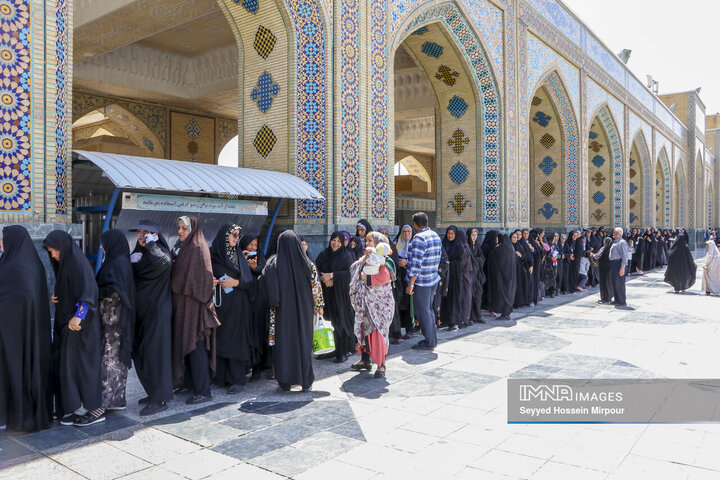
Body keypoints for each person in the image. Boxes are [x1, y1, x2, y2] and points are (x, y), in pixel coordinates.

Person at [43, 231, 102, 426]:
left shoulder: (78, 264)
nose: (53, 256)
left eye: (55, 251)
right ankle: (73, 407)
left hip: (81, 328)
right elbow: (70, 289)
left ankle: (92, 409)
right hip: (68, 326)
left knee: (82, 368)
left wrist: (79, 316)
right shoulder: (66, 265)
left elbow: (88, 292)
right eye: (50, 252)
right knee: (68, 368)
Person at [0, 226, 51, 431]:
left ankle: (17, 415)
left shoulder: (17, 267)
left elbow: (22, 297)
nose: (1, 243)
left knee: (15, 369)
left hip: (16, 333)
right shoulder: (26, 263)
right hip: (15, 331)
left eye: (3, 239)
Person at [261, 230, 324, 392]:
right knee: (303, 343)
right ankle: (305, 380)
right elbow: (316, 288)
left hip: (281, 313)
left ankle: (285, 381)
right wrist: (319, 307)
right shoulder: (308, 264)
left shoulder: (274, 264)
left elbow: (266, 286)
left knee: (284, 344)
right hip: (304, 312)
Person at [171, 216, 220, 405]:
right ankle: (190, 383)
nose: (181, 231)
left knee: (196, 346)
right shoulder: (184, 248)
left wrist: (182, 286)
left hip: (194, 308)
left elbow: (204, 279)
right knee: (186, 346)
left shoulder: (198, 249)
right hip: (183, 306)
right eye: (179, 228)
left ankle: (203, 390)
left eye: (185, 228)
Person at [88, 229, 136, 422]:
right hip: (114, 322)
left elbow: (117, 292)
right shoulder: (118, 262)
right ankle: (117, 399)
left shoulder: (117, 264)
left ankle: (103, 404)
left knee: (110, 362)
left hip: (114, 323)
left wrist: (96, 291)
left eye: (103, 243)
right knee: (115, 361)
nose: (101, 247)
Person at [129, 220, 173, 416]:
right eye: (139, 232)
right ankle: (152, 391)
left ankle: (160, 398)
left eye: (146, 232)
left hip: (157, 312)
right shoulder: (139, 254)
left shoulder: (160, 253)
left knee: (156, 355)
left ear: (155, 235)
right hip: (140, 313)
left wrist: (152, 244)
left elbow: (163, 263)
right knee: (141, 353)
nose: (141, 235)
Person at [210, 224, 254, 394]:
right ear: (224, 237)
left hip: (237, 306)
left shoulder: (238, 256)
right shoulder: (215, 255)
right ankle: (221, 377)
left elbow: (249, 281)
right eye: (233, 235)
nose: (236, 238)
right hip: (220, 305)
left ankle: (237, 379)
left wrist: (236, 282)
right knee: (221, 339)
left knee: (236, 340)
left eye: (238, 236)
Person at [349, 234, 395, 378]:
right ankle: (365, 360)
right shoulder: (364, 260)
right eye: (366, 240)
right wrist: (363, 264)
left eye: (370, 241)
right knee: (364, 332)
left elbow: (384, 277)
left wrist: (366, 277)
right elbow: (353, 268)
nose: (366, 243)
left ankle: (381, 365)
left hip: (379, 306)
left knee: (378, 334)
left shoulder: (384, 261)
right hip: (364, 304)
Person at [315, 232, 356, 363]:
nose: (336, 243)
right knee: (328, 320)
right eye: (334, 240)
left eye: (339, 241)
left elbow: (349, 275)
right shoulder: (324, 254)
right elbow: (316, 269)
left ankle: (342, 351)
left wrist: (332, 275)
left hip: (340, 296)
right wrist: (324, 278)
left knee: (340, 322)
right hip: (326, 294)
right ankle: (330, 350)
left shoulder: (347, 256)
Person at [405, 212, 441, 351]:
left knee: (423, 311)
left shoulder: (419, 238)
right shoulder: (435, 235)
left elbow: (416, 264)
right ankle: (433, 339)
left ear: (415, 224)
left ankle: (429, 341)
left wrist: (411, 283)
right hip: (432, 279)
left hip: (422, 282)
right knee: (429, 310)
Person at [239, 232, 269, 380]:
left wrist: (255, 268)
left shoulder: (262, 259)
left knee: (258, 333)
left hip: (258, 304)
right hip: (244, 303)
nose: (252, 248)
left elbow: (263, 273)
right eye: (250, 245)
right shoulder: (239, 258)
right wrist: (243, 262)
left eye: (255, 245)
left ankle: (258, 366)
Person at [440, 227, 473, 330]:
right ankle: (444, 320)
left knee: (454, 299)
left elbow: (461, 263)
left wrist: (448, 263)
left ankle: (454, 321)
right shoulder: (444, 244)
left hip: (456, 278)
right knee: (444, 299)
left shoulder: (460, 247)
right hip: (445, 277)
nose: (450, 236)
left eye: (452, 234)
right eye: (448, 233)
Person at [486, 233, 516, 324]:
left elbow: (490, 259)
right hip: (511, 278)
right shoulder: (511, 249)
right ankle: (506, 313)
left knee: (502, 295)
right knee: (509, 294)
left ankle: (505, 314)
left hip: (501, 278)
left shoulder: (498, 250)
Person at [466, 228, 486, 323]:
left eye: (476, 235)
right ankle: (469, 316)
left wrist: (476, 261)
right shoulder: (466, 246)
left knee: (477, 296)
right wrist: (476, 260)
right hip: (469, 276)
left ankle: (477, 315)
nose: (474, 237)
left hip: (477, 276)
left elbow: (482, 258)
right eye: (472, 235)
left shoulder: (477, 246)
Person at [608, 227, 630, 307]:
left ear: (618, 234)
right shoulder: (615, 242)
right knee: (615, 282)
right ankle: (617, 299)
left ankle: (621, 301)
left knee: (619, 283)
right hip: (614, 264)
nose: (613, 234)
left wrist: (622, 267)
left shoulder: (622, 242)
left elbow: (625, 256)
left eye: (614, 233)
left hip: (618, 264)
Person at [511, 231, 531, 308]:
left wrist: (520, 255)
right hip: (511, 270)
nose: (516, 239)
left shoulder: (520, 246)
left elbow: (525, 258)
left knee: (519, 286)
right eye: (514, 237)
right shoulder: (509, 246)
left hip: (519, 270)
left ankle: (519, 302)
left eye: (517, 237)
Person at [593, 237, 613, 304]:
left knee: (604, 282)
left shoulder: (603, 248)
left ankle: (605, 298)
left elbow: (597, 256)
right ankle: (609, 297)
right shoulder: (612, 248)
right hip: (610, 267)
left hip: (603, 267)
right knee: (609, 282)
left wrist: (591, 254)